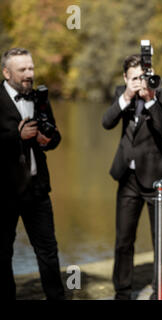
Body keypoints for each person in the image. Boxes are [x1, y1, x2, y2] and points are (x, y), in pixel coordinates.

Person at [102, 54, 162, 300]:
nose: (141, 81)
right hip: (127, 177)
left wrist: (150, 100)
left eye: (144, 76)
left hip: (156, 180)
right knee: (123, 239)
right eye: (135, 78)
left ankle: (161, 292)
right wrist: (126, 96)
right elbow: (106, 122)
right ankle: (122, 292)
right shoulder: (121, 94)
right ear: (126, 78)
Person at [0, 48, 65, 300]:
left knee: (48, 251)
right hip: (5, 192)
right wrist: (17, 135)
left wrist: (47, 139)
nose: (29, 74)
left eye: (31, 68)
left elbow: (55, 135)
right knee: (3, 253)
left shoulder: (40, 96)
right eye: (23, 70)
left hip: (37, 189)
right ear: (7, 73)